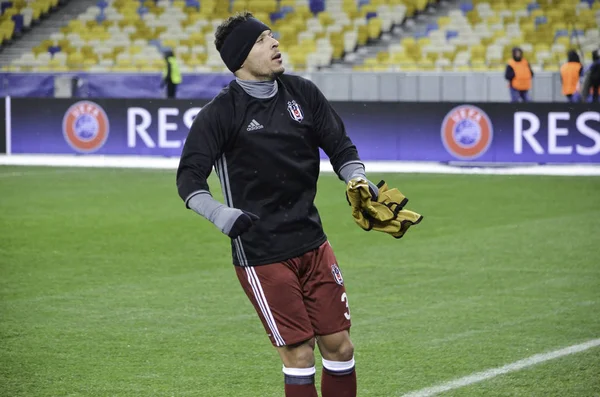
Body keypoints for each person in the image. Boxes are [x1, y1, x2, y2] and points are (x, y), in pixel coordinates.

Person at [175, 11, 404, 397]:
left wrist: (357, 177)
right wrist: (219, 213)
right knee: (299, 354)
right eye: (263, 40)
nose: (275, 43)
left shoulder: (303, 92)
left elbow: (339, 145)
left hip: (313, 242)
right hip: (262, 252)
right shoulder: (220, 113)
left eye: (272, 36)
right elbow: (188, 180)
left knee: (340, 346)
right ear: (240, 57)